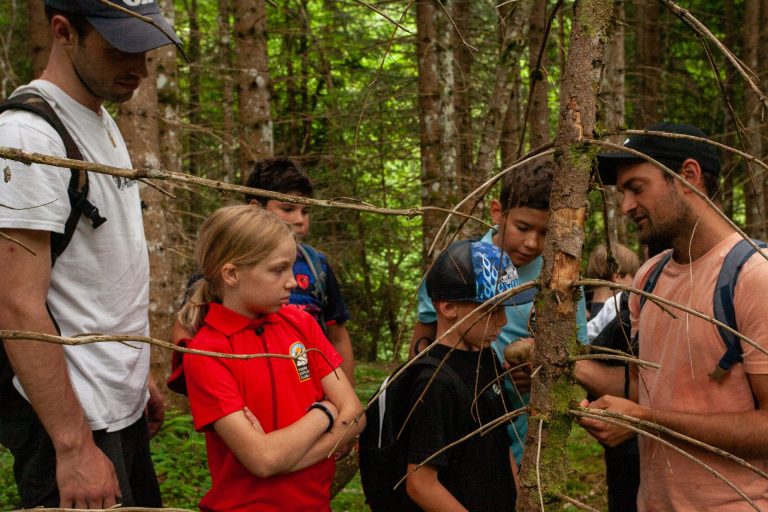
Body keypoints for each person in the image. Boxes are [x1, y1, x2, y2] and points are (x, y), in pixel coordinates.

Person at [0, 0, 182, 508]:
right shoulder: (29, 135)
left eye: (146, 50)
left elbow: (94, 273)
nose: (139, 69)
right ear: (63, 31)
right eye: (121, 47)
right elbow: (16, 305)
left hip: (112, 401)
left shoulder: (98, 116)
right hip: (72, 423)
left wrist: (132, 368)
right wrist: (74, 446)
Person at [575, 122, 768, 511]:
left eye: (636, 188)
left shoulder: (754, 277)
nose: (626, 206)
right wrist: (563, 365)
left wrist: (646, 419)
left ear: (688, 176)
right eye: (622, 193)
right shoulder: (650, 277)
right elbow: (642, 384)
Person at [175, 205, 365, 511]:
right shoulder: (207, 352)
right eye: (278, 270)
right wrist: (327, 412)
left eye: (291, 267)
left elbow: (356, 414)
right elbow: (262, 460)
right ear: (232, 273)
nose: (291, 281)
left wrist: (283, 458)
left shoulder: (300, 324)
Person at [410, 158, 589, 468]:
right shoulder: (456, 267)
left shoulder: (561, 278)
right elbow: (420, 348)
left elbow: (576, 355)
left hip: (521, 442)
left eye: (545, 232)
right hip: (450, 434)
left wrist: (538, 369)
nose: (532, 243)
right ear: (497, 211)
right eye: (521, 227)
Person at [172, 157, 356, 385]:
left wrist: (345, 397)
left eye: (306, 211)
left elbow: (337, 335)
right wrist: (206, 379)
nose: (299, 220)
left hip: (311, 391)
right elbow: (186, 325)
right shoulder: (222, 264)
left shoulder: (316, 266)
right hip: (243, 389)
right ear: (255, 208)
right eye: (287, 208)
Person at [406, 239, 517, 511]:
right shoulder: (434, 382)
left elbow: (502, 443)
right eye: (491, 309)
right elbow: (420, 482)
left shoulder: (487, 357)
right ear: (447, 307)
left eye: (504, 308)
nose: (502, 321)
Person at [584, 242, 642, 512]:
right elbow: (591, 339)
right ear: (617, 276)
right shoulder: (620, 305)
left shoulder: (598, 306)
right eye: (632, 276)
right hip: (621, 410)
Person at [585, 242, 640, 341]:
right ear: (617, 277)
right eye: (632, 276)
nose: (634, 282)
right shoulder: (617, 310)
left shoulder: (585, 312)